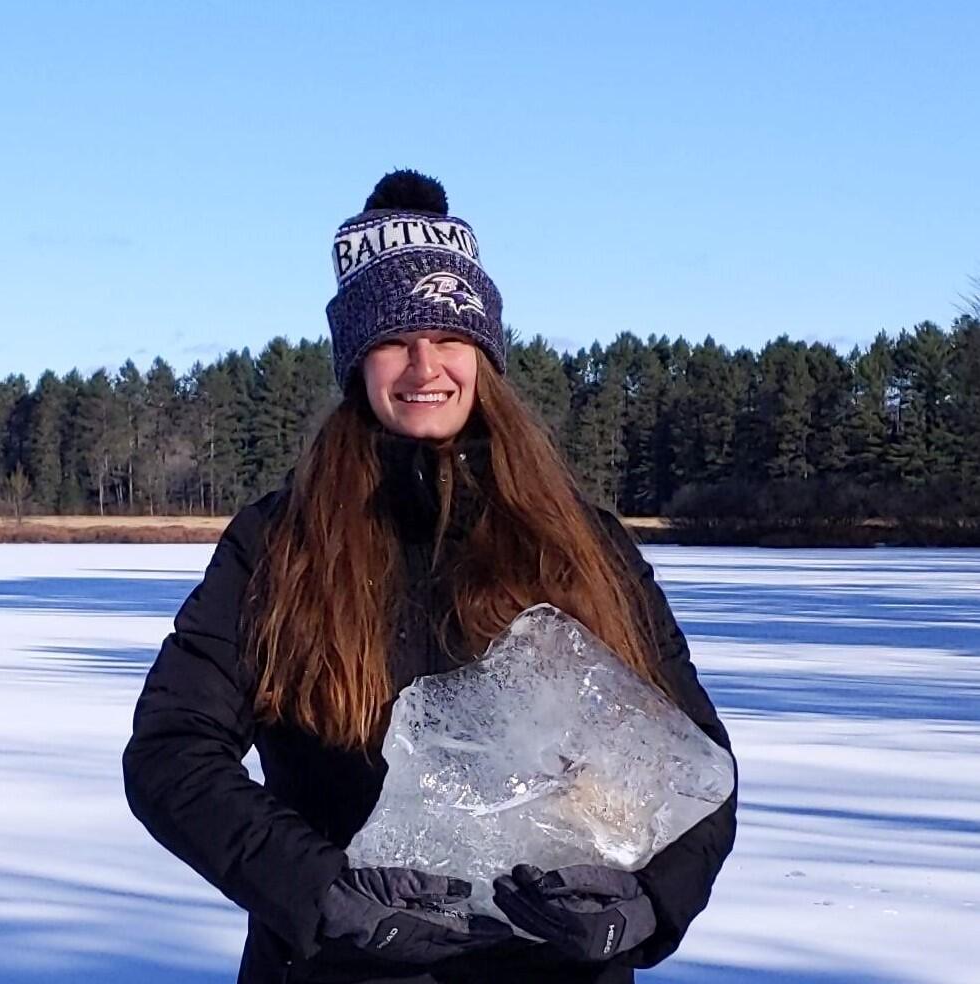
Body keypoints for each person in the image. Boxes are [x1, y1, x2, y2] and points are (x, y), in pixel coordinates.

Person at [122, 169, 737, 984]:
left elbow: (690, 762)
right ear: (354, 360)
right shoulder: (279, 541)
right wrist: (322, 894)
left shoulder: (582, 542)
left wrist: (650, 903)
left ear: (483, 352)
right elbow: (172, 753)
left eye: (448, 338)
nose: (424, 368)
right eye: (392, 340)